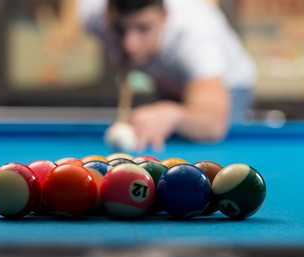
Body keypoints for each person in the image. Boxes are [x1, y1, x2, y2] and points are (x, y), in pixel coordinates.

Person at [78, 0, 256, 151]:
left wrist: (174, 115)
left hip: (228, 86)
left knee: (197, 138)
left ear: (164, 17)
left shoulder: (195, 35)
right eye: (119, 29)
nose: (129, 45)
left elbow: (214, 124)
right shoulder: (92, 14)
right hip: (166, 79)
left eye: (143, 28)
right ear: (107, 15)